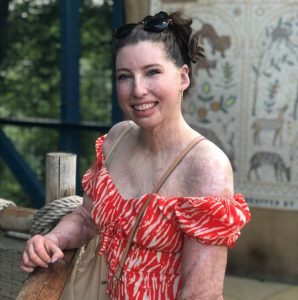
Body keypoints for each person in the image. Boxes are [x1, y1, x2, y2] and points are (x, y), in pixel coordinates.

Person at [21, 11, 250, 299]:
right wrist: (51, 240)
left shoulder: (206, 167)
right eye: (124, 76)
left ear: (182, 78)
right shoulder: (116, 138)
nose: (138, 90)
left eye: (152, 72)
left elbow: (200, 294)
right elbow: (88, 218)